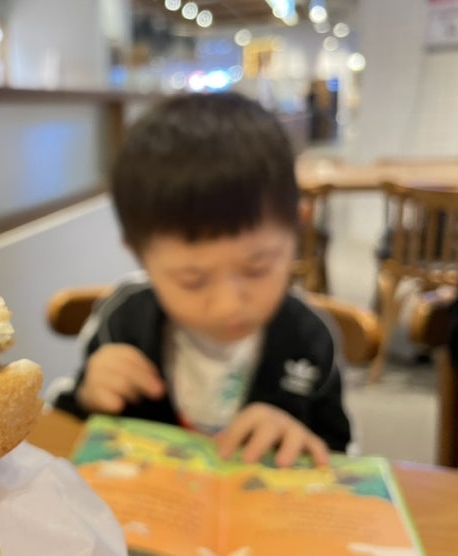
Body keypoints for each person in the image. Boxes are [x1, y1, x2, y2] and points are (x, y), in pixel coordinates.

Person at [54, 92, 351, 468]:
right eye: (192, 280)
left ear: (298, 226)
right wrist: (88, 394)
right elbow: (64, 426)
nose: (229, 304)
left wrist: (303, 440)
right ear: (139, 255)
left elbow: (342, 453)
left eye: (258, 267)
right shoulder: (123, 321)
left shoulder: (311, 338)